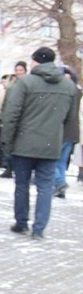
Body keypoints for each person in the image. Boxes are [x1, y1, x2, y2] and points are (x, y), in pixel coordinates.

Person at [1, 47, 79, 238]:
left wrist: (6, 143)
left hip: (24, 144)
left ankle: (21, 223)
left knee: (22, 185)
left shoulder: (25, 83)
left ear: (35, 62)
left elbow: (12, 115)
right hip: (51, 145)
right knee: (45, 187)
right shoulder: (69, 87)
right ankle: (39, 228)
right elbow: (71, 120)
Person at [54, 66, 80, 199]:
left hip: (63, 131)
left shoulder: (64, 91)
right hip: (73, 132)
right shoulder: (77, 91)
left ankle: (59, 182)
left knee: (54, 160)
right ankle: (60, 186)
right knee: (62, 161)